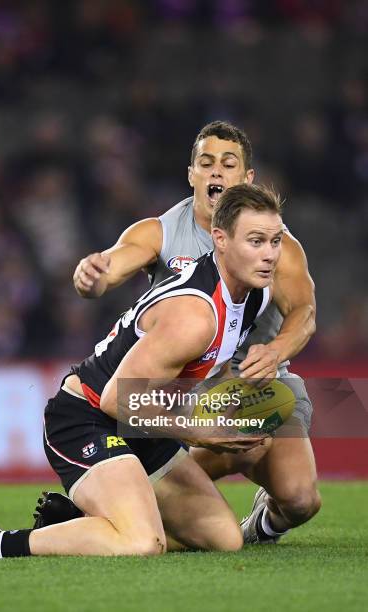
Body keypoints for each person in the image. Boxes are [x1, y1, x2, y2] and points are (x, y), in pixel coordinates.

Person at [0, 183, 283, 560]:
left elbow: (201, 368)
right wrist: (202, 433)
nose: (269, 254)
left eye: (275, 241)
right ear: (220, 240)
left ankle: (83, 523)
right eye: (256, 241)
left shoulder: (255, 291)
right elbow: (116, 401)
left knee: (224, 537)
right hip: (86, 417)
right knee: (142, 544)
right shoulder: (194, 317)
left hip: (141, 423)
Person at [71, 120, 320, 544]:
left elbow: (304, 311)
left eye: (228, 163)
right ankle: (137, 504)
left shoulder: (274, 243)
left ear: (247, 178)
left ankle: (254, 524)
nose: (217, 172)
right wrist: (93, 276)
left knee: (300, 500)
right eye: (206, 163)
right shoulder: (161, 231)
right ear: (191, 175)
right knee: (251, 440)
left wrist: (277, 350)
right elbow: (113, 264)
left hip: (257, 375)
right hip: (180, 384)